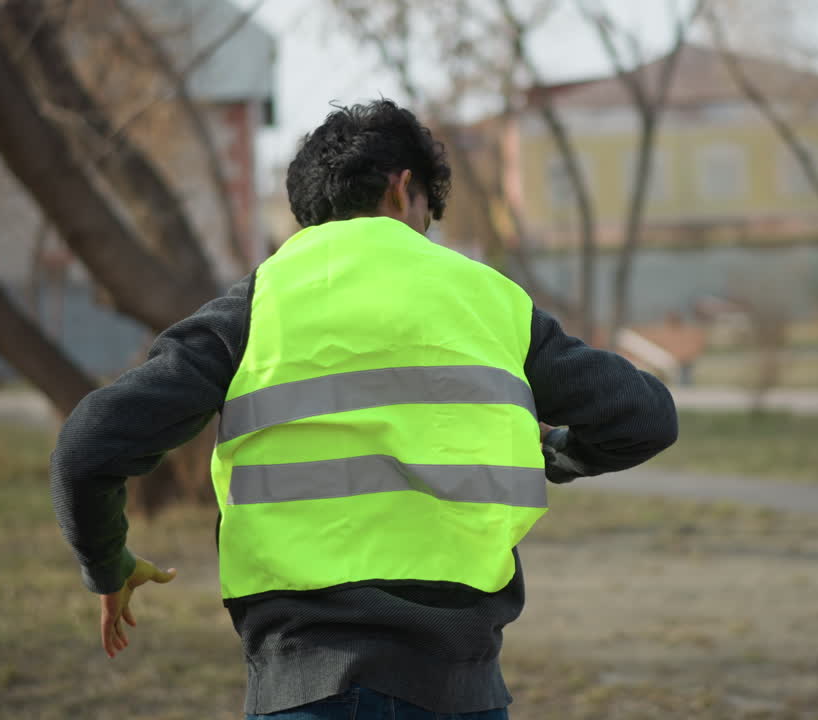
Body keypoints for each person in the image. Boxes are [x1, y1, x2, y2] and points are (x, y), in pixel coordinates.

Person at [50, 99, 677, 719]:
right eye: (430, 212)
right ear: (405, 190)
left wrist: (109, 564)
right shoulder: (493, 300)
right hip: (467, 692)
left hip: (308, 687)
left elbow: (88, 446)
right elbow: (645, 418)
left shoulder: (255, 307)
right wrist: (554, 454)